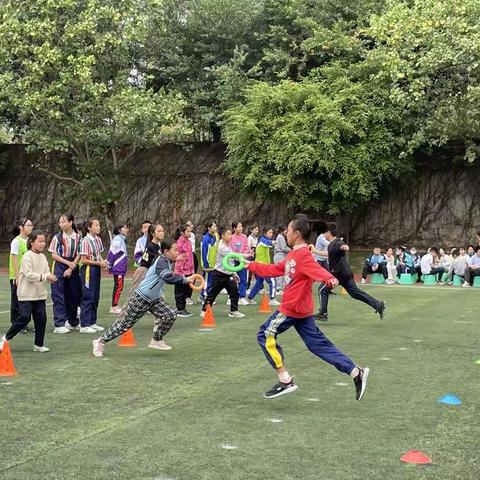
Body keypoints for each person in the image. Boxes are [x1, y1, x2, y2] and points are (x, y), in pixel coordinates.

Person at [245, 217, 369, 400]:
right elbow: (274, 269)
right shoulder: (292, 255)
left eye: (288, 230)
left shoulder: (303, 255)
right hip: (301, 310)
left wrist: (329, 279)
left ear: (296, 234)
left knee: (265, 334)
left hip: (291, 308)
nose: (286, 233)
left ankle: (285, 380)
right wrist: (250, 265)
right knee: (317, 345)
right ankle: (355, 372)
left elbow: (316, 269)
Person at [92, 240, 197, 357]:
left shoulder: (166, 259)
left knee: (170, 314)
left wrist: (175, 259)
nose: (178, 252)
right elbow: (167, 278)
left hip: (154, 299)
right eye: (175, 250)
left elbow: (168, 264)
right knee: (124, 325)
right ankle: (100, 341)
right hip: (141, 297)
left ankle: (156, 340)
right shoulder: (162, 261)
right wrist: (185, 279)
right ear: (166, 251)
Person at [1, 231, 57, 353]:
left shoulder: (42, 257)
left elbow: (46, 272)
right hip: (26, 295)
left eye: (44, 241)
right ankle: (5, 338)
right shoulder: (27, 256)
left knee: (41, 319)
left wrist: (51, 277)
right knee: (24, 318)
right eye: (40, 241)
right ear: (32, 242)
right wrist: (44, 277)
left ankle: (39, 344)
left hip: (40, 295)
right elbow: (29, 274)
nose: (43, 244)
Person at [319, 224, 385, 321]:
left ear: (329, 233)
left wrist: (345, 247)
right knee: (355, 293)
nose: (323, 234)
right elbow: (329, 254)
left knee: (322, 290)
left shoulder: (337, 242)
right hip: (346, 273)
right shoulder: (331, 245)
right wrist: (315, 251)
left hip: (339, 273)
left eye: (324, 232)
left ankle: (323, 314)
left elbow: (344, 246)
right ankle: (378, 305)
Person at [201, 227, 245, 318]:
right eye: (228, 234)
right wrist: (246, 255)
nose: (230, 236)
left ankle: (233, 311)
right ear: (223, 236)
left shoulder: (228, 245)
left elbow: (231, 262)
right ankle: (204, 311)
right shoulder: (222, 247)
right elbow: (234, 256)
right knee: (212, 294)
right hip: (219, 274)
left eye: (230, 234)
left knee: (235, 292)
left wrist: (234, 273)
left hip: (228, 274)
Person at [49, 213, 82, 334]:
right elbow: (53, 255)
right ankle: (59, 324)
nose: (61, 224)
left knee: (74, 294)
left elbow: (79, 252)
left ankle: (73, 322)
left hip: (73, 265)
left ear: (71, 222)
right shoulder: (57, 237)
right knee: (58, 294)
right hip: (59, 264)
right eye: (60, 222)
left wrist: (72, 266)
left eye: (63, 221)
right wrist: (68, 264)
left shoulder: (78, 237)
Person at [78, 218, 107, 333]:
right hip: (88, 270)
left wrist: (103, 262)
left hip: (96, 269)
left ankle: (92, 322)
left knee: (95, 296)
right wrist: (98, 263)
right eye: (96, 225)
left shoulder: (98, 240)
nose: (98, 227)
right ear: (89, 228)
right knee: (88, 295)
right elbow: (83, 260)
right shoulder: (85, 241)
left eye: (99, 225)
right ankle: (84, 325)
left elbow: (98, 254)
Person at [9, 217, 34, 329]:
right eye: (28, 225)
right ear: (21, 227)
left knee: (25, 300)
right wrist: (16, 276)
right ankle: (15, 323)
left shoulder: (29, 241)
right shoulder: (16, 241)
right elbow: (14, 259)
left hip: (27, 275)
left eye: (31, 225)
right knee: (16, 300)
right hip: (17, 276)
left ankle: (23, 323)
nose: (31, 227)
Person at [247, 227, 279, 306]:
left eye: (272, 233)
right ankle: (272, 299)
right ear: (265, 233)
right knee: (272, 281)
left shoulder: (262, 240)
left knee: (259, 283)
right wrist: (275, 242)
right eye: (270, 232)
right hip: (262, 266)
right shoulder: (262, 240)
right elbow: (268, 243)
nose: (271, 234)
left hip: (259, 266)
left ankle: (250, 297)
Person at [107, 222, 130, 314]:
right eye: (125, 227)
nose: (127, 230)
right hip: (118, 267)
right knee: (118, 286)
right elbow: (112, 253)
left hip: (120, 267)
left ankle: (115, 305)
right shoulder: (117, 240)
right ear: (119, 230)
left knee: (119, 286)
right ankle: (114, 306)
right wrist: (108, 264)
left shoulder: (120, 239)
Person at [174, 223, 195, 317]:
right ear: (182, 232)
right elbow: (178, 258)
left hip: (189, 270)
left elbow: (190, 257)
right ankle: (179, 309)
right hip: (181, 271)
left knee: (187, 289)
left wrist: (192, 269)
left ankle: (183, 308)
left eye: (190, 231)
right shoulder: (179, 243)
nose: (190, 233)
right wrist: (181, 271)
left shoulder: (189, 242)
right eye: (188, 231)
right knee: (180, 290)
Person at [231, 221, 249, 305]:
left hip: (242, 260)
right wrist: (236, 256)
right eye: (239, 227)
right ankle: (232, 297)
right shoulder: (231, 237)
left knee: (243, 278)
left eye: (241, 226)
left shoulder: (244, 237)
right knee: (233, 279)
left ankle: (242, 297)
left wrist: (243, 255)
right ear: (234, 228)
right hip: (233, 260)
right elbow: (230, 249)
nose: (241, 228)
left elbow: (246, 247)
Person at [200, 221, 219, 300]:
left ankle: (206, 295)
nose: (215, 228)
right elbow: (204, 253)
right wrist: (206, 265)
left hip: (213, 264)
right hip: (208, 265)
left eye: (215, 226)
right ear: (209, 228)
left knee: (211, 281)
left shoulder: (214, 237)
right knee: (207, 281)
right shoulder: (206, 239)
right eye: (214, 226)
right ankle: (205, 296)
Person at [273, 225, 290, 294]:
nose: (287, 231)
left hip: (280, 256)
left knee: (281, 272)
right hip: (279, 256)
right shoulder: (280, 237)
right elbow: (284, 248)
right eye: (285, 230)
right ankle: (278, 289)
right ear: (281, 231)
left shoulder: (280, 237)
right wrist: (291, 250)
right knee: (279, 272)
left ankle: (279, 288)